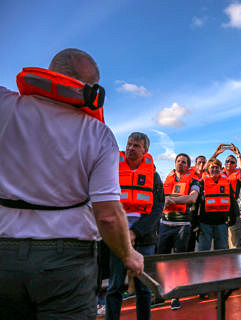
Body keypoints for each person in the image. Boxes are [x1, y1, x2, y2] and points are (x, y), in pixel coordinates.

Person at [0, 48, 143, 319]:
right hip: (66, 261)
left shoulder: (4, 106)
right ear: (92, 88)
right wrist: (128, 255)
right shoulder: (99, 135)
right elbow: (108, 215)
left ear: (51, 72)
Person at [106, 132, 164, 320]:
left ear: (145, 150)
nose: (130, 148)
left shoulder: (153, 176)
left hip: (144, 238)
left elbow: (158, 208)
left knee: (144, 288)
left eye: (136, 146)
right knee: (114, 286)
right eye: (129, 144)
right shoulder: (112, 169)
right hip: (117, 237)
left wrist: (135, 232)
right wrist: (122, 232)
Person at [157, 153, 200, 310]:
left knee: (178, 262)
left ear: (188, 166)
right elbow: (157, 197)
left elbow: (192, 198)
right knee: (161, 261)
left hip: (182, 225)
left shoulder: (194, 181)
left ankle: (176, 296)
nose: (181, 164)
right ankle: (160, 294)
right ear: (175, 163)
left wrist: (171, 200)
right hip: (165, 224)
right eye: (179, 161)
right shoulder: (165, 180)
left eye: (184, 162)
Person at [196, 158, 237, 251]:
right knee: (203, 251)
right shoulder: (201, 183)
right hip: (205, 223)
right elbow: (196, 203)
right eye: (212, 167)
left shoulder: (226, 182)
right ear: (208, 169)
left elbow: (232, 201)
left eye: (217, 167)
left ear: (220, 169)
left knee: (221, 252)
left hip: (221, 223)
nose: (215, 169)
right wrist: (195, 222)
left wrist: (232, 218)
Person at [211, 144, 241, 248]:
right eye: (227, 161)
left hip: (233, 212)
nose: (229, 163)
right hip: (219, 214)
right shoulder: (218, 173)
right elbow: (209, 166)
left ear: (235, 165)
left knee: (234, 245)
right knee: (221, 245)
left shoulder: (238, 175)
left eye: (232, 162)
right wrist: (216, 154)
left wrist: (239, 156)